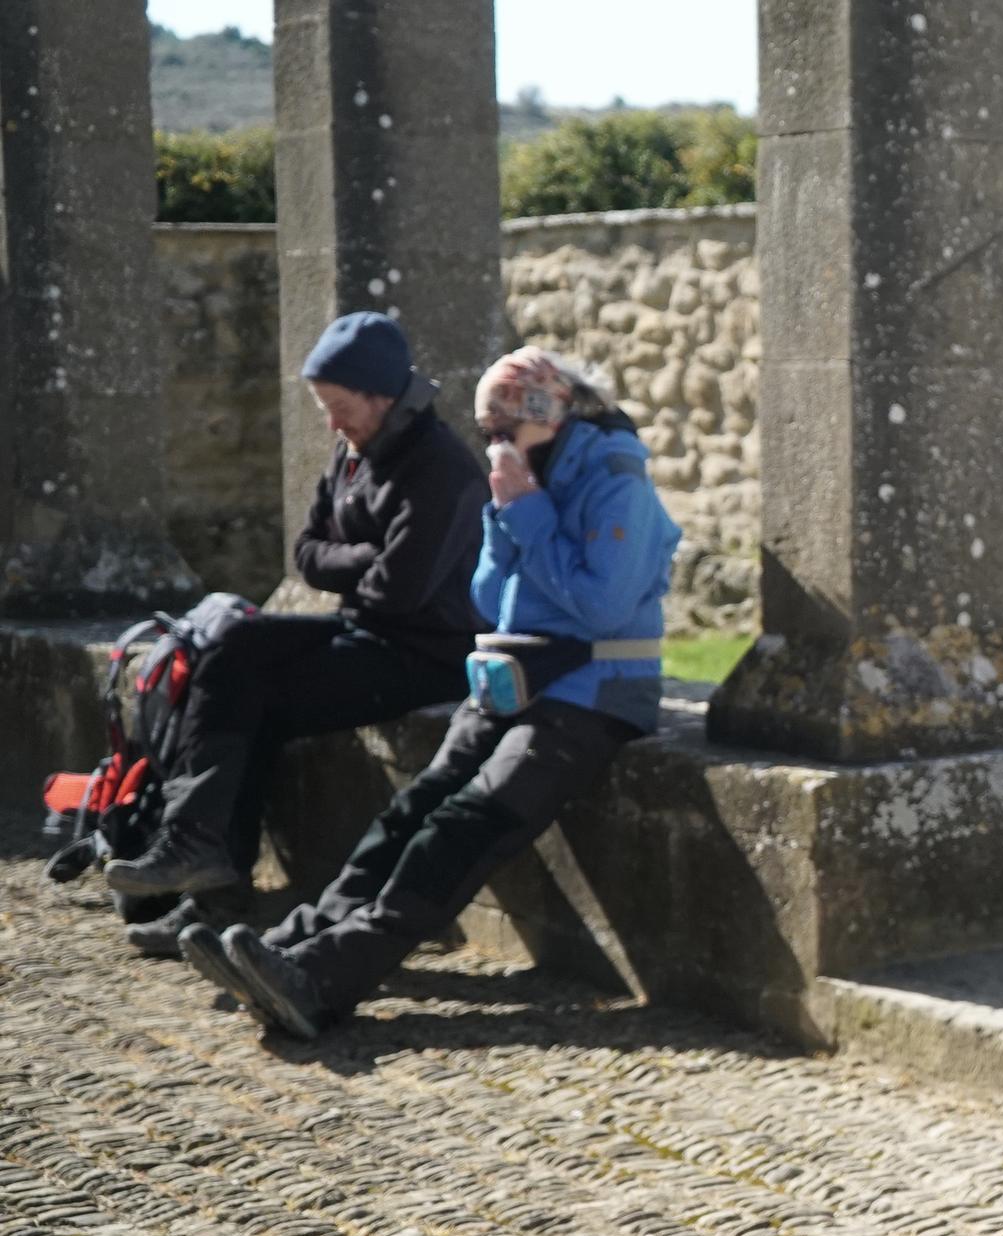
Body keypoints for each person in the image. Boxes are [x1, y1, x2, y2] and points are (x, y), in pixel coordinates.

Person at [176, 348, 681, 1040]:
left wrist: (527, 515)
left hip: (593, 692)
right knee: (412, 808)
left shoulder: (616, 480)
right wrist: (506, 521)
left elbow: (601, 606)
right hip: (518, 677)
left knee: (463, 825)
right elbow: (486, 598)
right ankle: (296, 943)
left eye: (505, 431)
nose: (494, 446)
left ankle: (325, 978)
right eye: (488, 434)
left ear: (550, 415)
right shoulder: (525, 474)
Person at [105, 312, 485, 953]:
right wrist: (370, 554)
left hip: (426, 653)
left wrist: (357, 560)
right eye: (325, 410)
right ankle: (203, 867)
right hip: (363, 628)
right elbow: (305, 552)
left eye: (341, 408)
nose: (332, 425)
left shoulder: (440, 467)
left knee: (252, 695)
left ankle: (211, 883)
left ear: (382, 396)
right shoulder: (353, 451)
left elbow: (402, 590)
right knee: (229, 647)